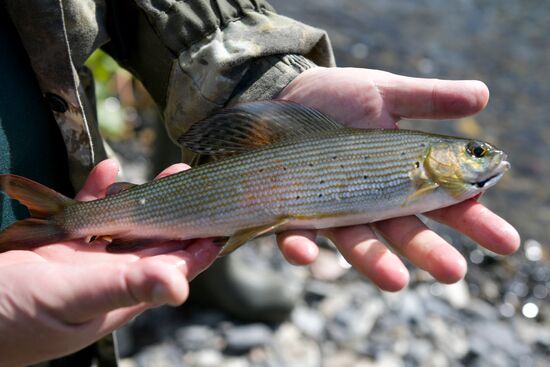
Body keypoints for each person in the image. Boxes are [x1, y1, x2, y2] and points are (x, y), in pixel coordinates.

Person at [0, 1, 520, 366]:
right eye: (474, 152)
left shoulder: (429, 175)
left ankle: (177, 265)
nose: (485, 158)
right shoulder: (420, 172)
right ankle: (72, 222)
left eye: (477, 153)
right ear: (434, 163)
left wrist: (263, 75)